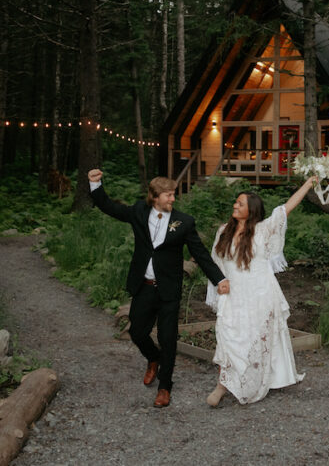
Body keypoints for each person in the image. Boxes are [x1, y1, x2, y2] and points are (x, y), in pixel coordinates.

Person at [88, 168, 229, 408]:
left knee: (168, 338)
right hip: (144, 286)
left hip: (169, 290)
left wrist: (219, 279)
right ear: (154, 197)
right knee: (137, 332)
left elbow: (201, 254)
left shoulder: (184, 222)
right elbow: (109, 207)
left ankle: (165, 386)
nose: (173, 199)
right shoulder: (138, 212)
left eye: (174, 195)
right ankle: (153, 359)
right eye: (168, 195)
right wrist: (95, 184)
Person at [204, 176, 317, 406]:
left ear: (252, 210)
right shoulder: (223, 231)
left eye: (240, 204)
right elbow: (215, 264)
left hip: (260, 294)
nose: (235, 206)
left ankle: (244, 383)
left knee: (255, 340)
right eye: (236, 202)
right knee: (227, 336)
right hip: (233, 294)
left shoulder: (263, 230)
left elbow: (286, 209)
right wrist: (218, 284)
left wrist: (308, 184)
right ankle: (223, 384)